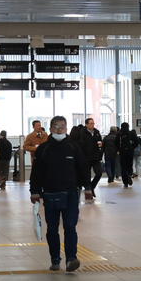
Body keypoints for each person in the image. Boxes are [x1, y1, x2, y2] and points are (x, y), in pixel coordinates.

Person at [30, 115, 92, 272]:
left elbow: (83, 168)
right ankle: (55, 259)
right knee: (52, 229)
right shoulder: (43, 149)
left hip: (70, 193)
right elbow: (36, 172)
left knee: (70, 226)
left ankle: (71, 258)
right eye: (56, 127)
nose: (59, 129)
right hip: (50, 194)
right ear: (50, 129)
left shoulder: (73, 147)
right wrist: (35, 191)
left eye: (62, 126)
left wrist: (88, 188)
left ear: (66, 128)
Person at [80, 118, 103, 197]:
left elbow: (100, 140)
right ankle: (88, 189)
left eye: (93, 123)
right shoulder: (83, 133)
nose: (92, 125)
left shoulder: (96, 132)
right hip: (87, 157)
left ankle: (92, 186)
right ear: (86, 124)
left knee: (99, 173)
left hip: (96, 156)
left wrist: (100, 143)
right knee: (87, 175)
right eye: (90, 123)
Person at [117, 123, 137, 188]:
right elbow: (137, 141)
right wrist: (132, 147)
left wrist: (119, 149)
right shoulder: (132, 134)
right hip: (130, 152)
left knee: (123, 167)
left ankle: (125, 182)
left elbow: (115, 143)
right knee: (129, 164)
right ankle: (130, 174)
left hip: (122, 152)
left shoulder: (119, 134)